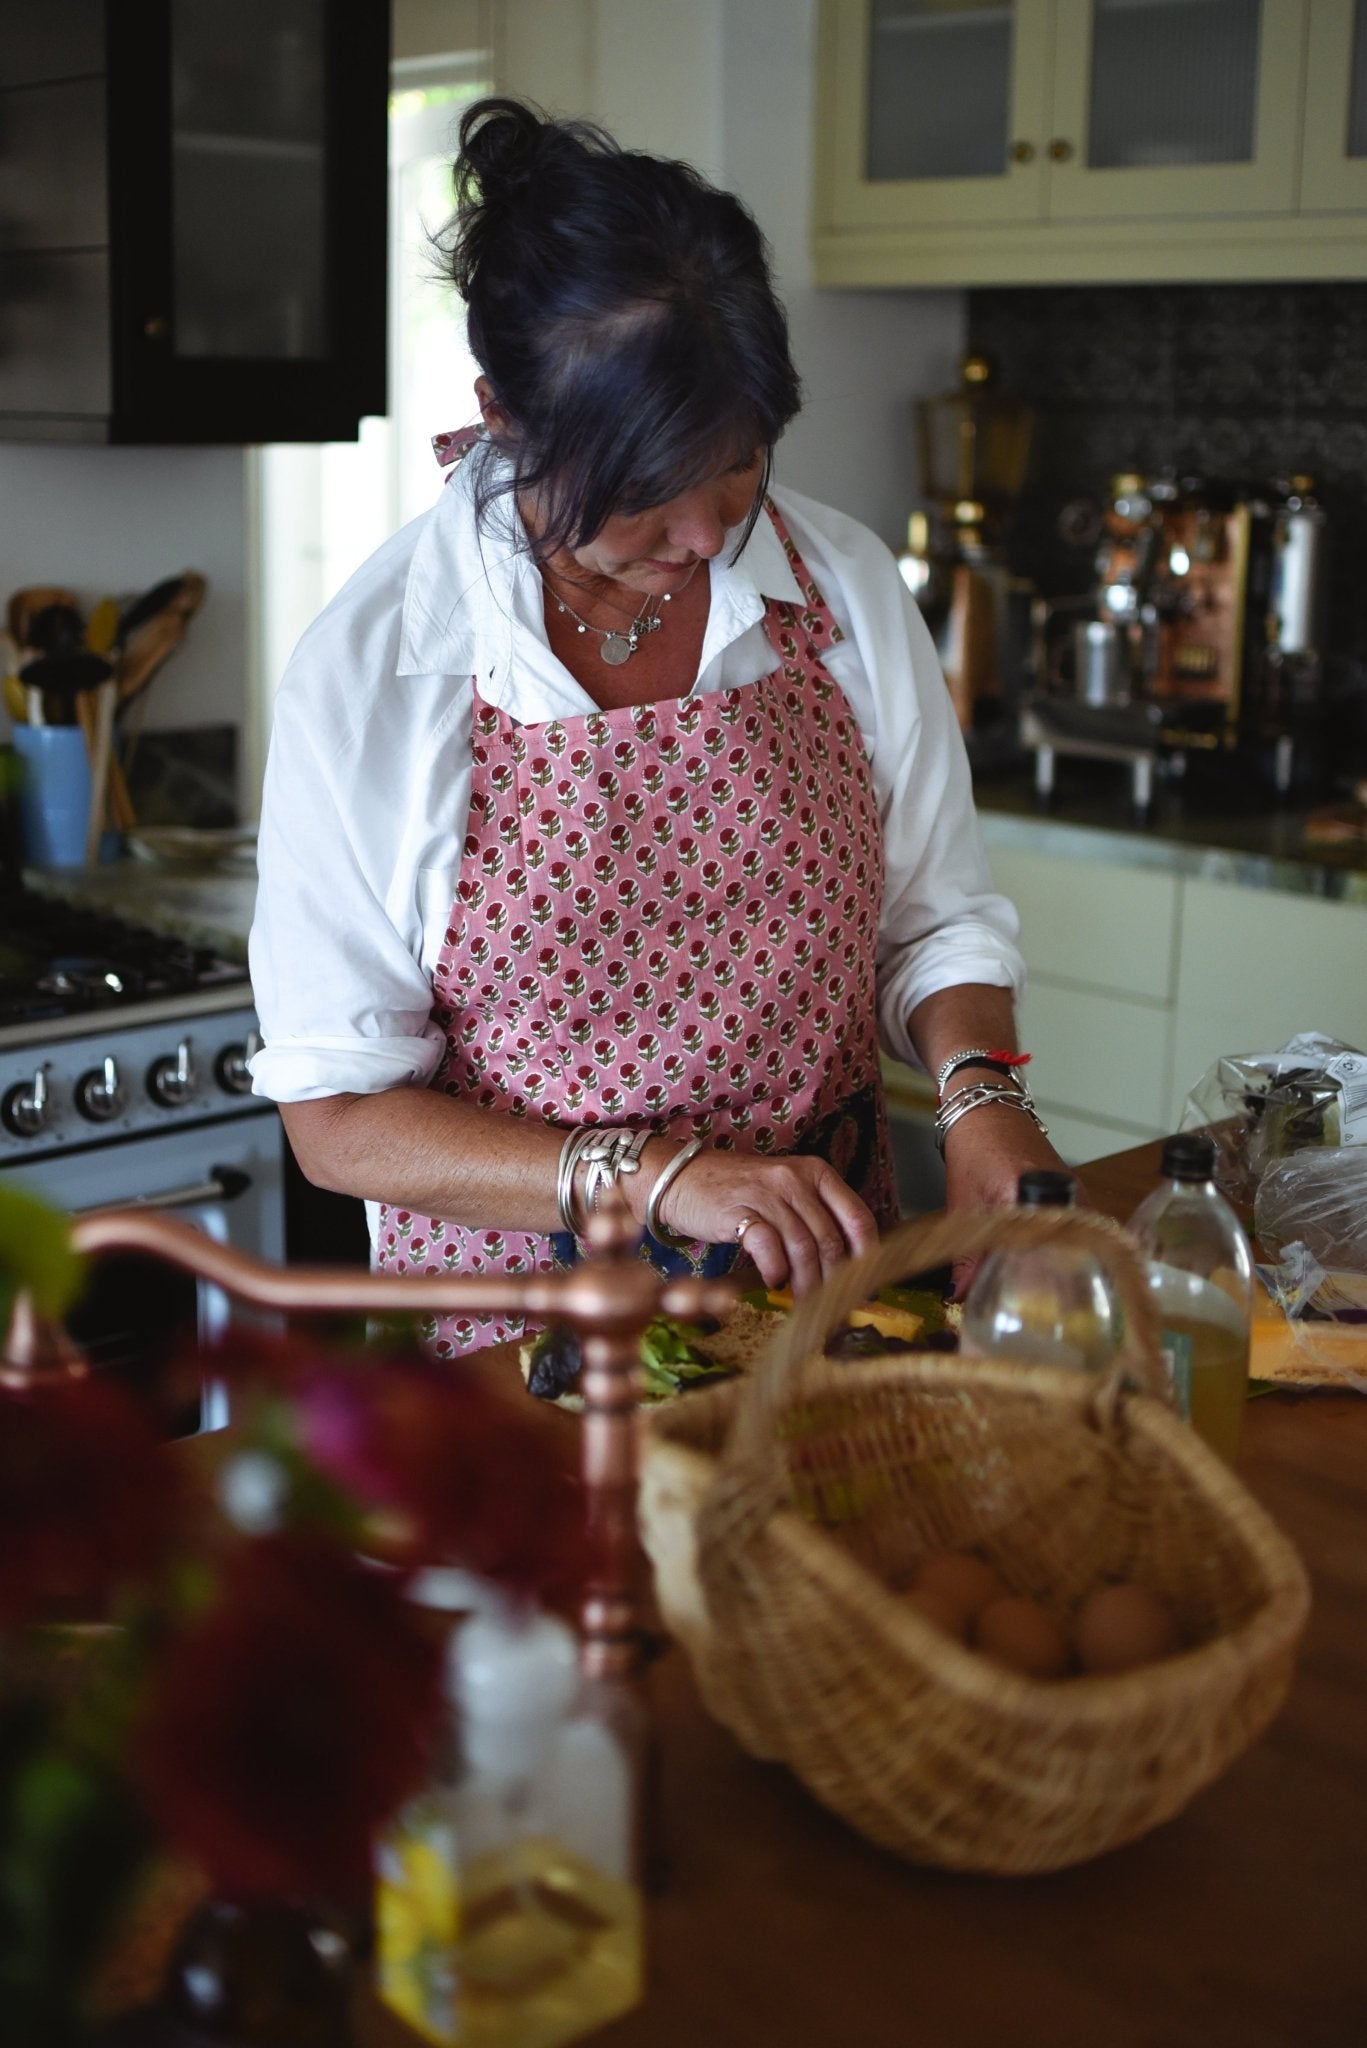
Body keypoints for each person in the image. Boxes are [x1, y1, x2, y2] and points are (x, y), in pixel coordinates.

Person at [248, 97, 1068, 1356]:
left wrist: (979, 1093)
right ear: (505, 416)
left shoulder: (838, 591)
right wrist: (660, 1171)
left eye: (736, 468)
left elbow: (934, 919)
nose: (702, 535)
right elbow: (339, 1118)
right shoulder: (377, 676)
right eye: (643, 494)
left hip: (830, 1312)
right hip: (519, 1357)